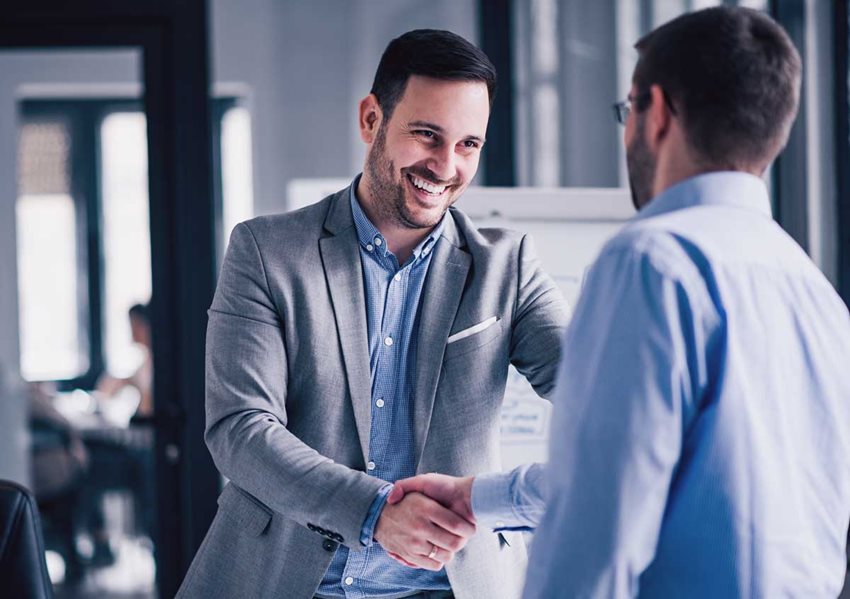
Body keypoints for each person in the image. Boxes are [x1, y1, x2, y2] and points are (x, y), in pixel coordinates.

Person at [388, 7, 850, 598]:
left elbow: (597, 524)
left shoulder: (651, 262)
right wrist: (479, 497)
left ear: (655, 112)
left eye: (627, 111)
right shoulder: (814, 291)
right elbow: (640, 474)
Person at [177, 29, 568, 599]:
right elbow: (240, 428)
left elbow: (598, 392)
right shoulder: (267, 251)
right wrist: (374, 512)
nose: (445, 165)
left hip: (449, 587)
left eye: (468, 145)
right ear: (371, 119)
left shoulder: (507, 267)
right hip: (288, 580)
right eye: (427, 135)